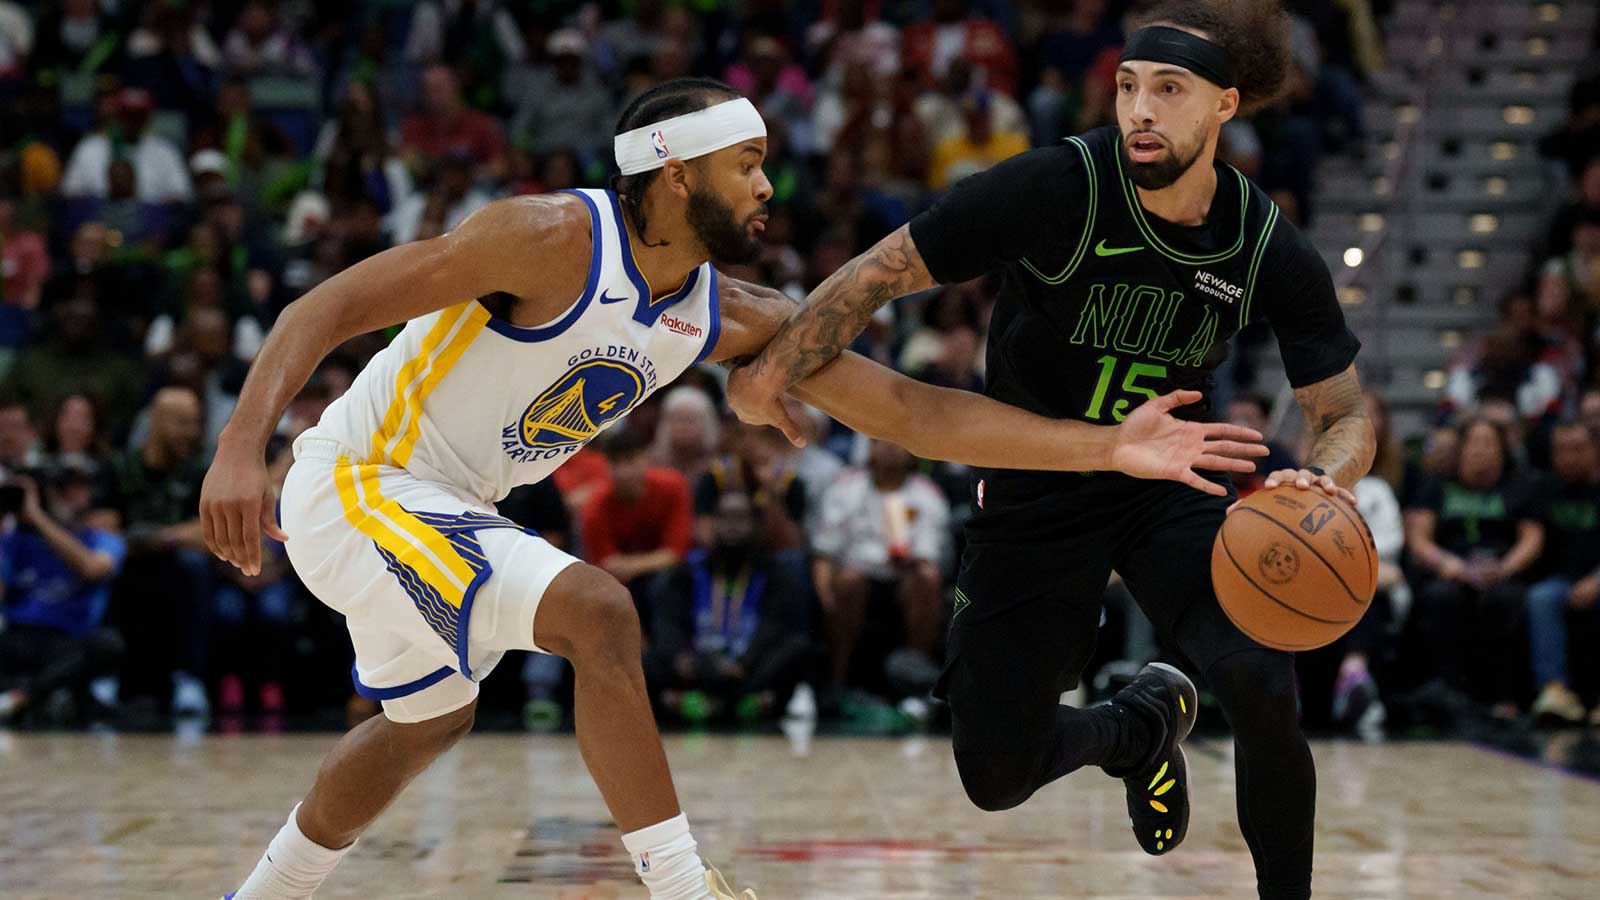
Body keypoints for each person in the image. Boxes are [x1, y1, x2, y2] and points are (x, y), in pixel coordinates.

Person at [201, 78, 1266, 900]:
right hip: (358, 481)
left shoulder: (725, 312)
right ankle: (682, 886)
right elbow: (327, 306)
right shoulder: (545, 237)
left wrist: (1105, 448)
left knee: (428, 722)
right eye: (747, 165)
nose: (768, 186)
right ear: (674, 175)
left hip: (450, 506)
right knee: (598, 612)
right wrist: (242, 445)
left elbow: (912, 411)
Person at [728, 6, 1373, 896]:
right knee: (995, 775)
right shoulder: (1056, 187)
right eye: (1128, 87)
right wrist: (778, 371)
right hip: (1036, 475)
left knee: (1264, 685)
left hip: (1167, 479)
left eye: (1169, 90)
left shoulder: (1265, 244)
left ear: (1225, 106)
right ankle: (1136, 726)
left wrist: (1324, 476)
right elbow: (884, 269)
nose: (1140, 109)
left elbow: (1343, 410)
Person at [1404, 417, 1544, 719]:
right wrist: (1446, 563)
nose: (1482, 450)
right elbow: (1417, 537)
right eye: (1475, 443)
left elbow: (1532, 538)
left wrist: (1505, 567)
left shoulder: (1518, 486)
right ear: (1461, 449)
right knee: (1441, 597)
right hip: (1451, 569)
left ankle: (1503, 696)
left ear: (1503, 450)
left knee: (1505, 600)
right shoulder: (1438, 485)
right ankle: (1448, 692)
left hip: (1501, 572)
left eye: (1489, 443)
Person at [645, 489, 814, 723]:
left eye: (740, 518)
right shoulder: (686, 572)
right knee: (648, 658)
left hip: (748, 668)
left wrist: (743, 663)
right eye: (725, 517)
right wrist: (691, 661)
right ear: (713, 523)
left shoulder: (774, 573)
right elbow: (669, 625)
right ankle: (747, 705)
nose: (732, 526)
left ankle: (698, 704)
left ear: (755, 524)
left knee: (798, 649)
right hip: (699, 666)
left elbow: (775, 626)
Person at [811, 439, 949, 699]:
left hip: (904, 580)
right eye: (879, 441)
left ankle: (915, 680)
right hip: (855, 577)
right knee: (850, 581)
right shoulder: (845, 488)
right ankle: (837, 683)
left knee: (926, 579)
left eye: (897, 441)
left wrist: (907, 559)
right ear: (868, 449)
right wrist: (824, 597)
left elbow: (929, 559)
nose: (888, 447)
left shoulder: (927, 494)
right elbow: (824, 554)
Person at [0, 463, 126, 723]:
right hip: (18, 636)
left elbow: (93, 569)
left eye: (78, 488)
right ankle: (46, 695)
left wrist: (38, 518)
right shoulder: (15, 541)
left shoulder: (102, 539)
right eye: (61, 488)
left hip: (68, 639)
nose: (68, 496)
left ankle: (25, 696)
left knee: (108, 644)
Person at [1526, 421, 1600, 726]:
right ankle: (1555, 691)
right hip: (1562, 581)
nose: (1569, 457)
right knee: (1540, 597)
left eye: (1577, 449)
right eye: (1562, 450)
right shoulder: (1545, 488)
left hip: (1596, 577)